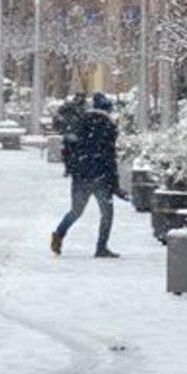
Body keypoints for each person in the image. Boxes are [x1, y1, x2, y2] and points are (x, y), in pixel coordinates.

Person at [51, 93, 126, 258]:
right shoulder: (109, 127)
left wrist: (72, 169)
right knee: (107, 213)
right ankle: (101, 247)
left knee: (76, 210)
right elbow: (110, 158)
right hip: (101, 176)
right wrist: (115, 184)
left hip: (81, 175)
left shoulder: (81, 123)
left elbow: (70, 148)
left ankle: (59, 233)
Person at [53, 92, 87, 177]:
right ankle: (72, 169)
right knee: (75, 152)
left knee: (68, 152)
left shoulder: (68, 106)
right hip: (77, 134)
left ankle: (69, 169)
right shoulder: (82, 109)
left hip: (70, 133)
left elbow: (58, 116)